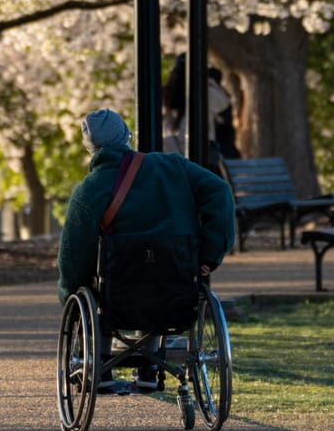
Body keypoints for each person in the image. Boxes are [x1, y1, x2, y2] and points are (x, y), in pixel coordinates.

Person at [57, 107, 236, 310]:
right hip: (179, 273)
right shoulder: (172, 165)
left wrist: (69, 294)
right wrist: (210, 252)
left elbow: (73, 257)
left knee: (99, 302)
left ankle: (106, 340)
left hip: (120, 288)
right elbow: (219, 191)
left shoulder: (88, 190)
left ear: (90, 149)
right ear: (127, 137)